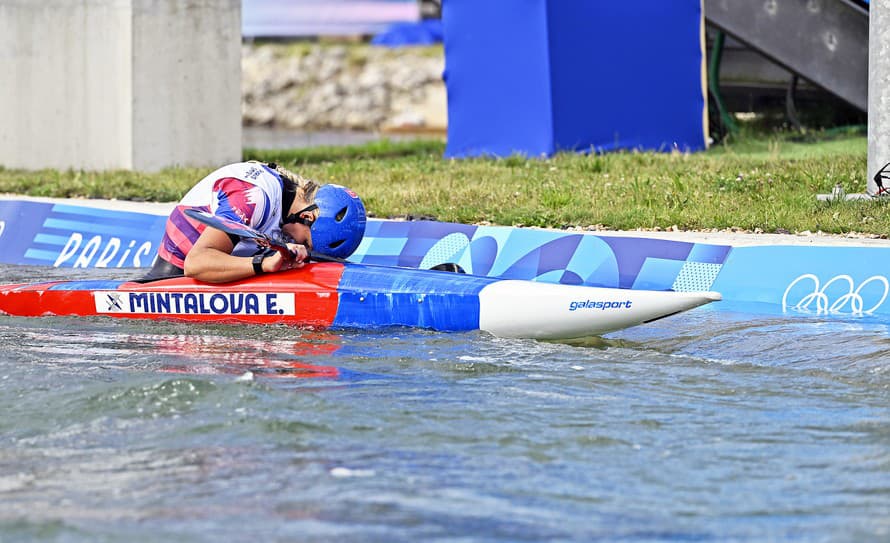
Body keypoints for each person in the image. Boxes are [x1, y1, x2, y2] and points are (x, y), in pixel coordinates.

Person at [142, 161, 320, 283]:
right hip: (178, 271)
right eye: (306, 244)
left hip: (228, 255)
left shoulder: (291, 205)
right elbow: (195, 263)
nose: (305, 249)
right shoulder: (254, 199)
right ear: (307, 217)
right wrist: (263, 264)